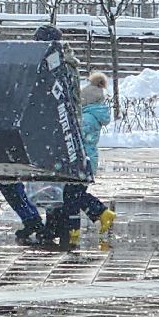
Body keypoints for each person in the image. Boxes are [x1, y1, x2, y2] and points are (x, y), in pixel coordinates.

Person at [44, 70, 118, 249]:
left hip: (81, 162)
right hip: (85, 161)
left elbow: (77, 139)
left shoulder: (86, 118)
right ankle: (79, 225)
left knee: (72, 195)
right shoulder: (93, 115)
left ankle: (98, 214)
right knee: (73, 195)